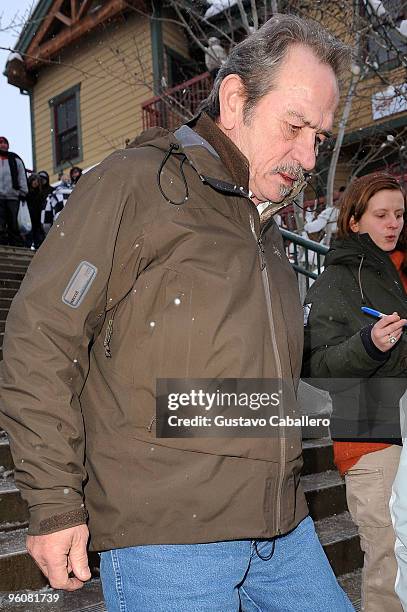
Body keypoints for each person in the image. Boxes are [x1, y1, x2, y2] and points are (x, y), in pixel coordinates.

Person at [0, 15, 354, 611]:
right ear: (237, 98)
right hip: (166, 539)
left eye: (318, 136)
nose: (308, 155)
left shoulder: (264, 227)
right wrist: (56, 498)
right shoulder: (134, 185)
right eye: (295, 126)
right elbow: (42, 336)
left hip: (283, 527)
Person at [302, 173, 407, 612]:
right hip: (371, 436)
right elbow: (314, 366)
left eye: (399, 214)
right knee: (389, 564)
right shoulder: (338, 281)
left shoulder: (402, 269)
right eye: (381, 215)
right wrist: (369, 344)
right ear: (355, 220)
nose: (393, 224)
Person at [0, 136, 28, 245]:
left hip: (13, 196)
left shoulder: (15, 159)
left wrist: (23, 191)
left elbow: (22, 175)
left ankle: (15, 243)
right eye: (1, 143)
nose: (3, 145)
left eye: (5, 143)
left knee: (14, 221)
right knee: (1, 221)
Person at [26, 174, 46, 249]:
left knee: (37, 235)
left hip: (37, 217)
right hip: (29, 216)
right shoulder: (26, 192)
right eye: (34, 180)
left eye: (37, 181)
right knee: (29, 235)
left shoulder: (40, 193)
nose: (35, 182)